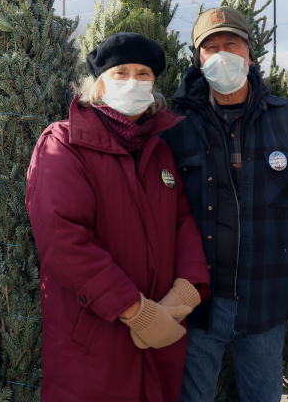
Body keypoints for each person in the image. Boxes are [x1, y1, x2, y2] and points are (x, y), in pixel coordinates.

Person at [160, 7, 288, 402]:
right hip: (197, 307)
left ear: (250, 53)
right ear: (198, 60)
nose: (222, 54)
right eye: (210, 48)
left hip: (266, 305)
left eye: (231, 44)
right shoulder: (176, 128)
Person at [25, 32, 210, 402]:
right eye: (121, 72)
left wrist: (186, 292)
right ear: (98, 85)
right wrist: (135, 310)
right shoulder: (63, 144)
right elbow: (64, 241)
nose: (133, 81)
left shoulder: (158, 151)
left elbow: (183, 221)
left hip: (160, 340)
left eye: (144, 74)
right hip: (95, 344)